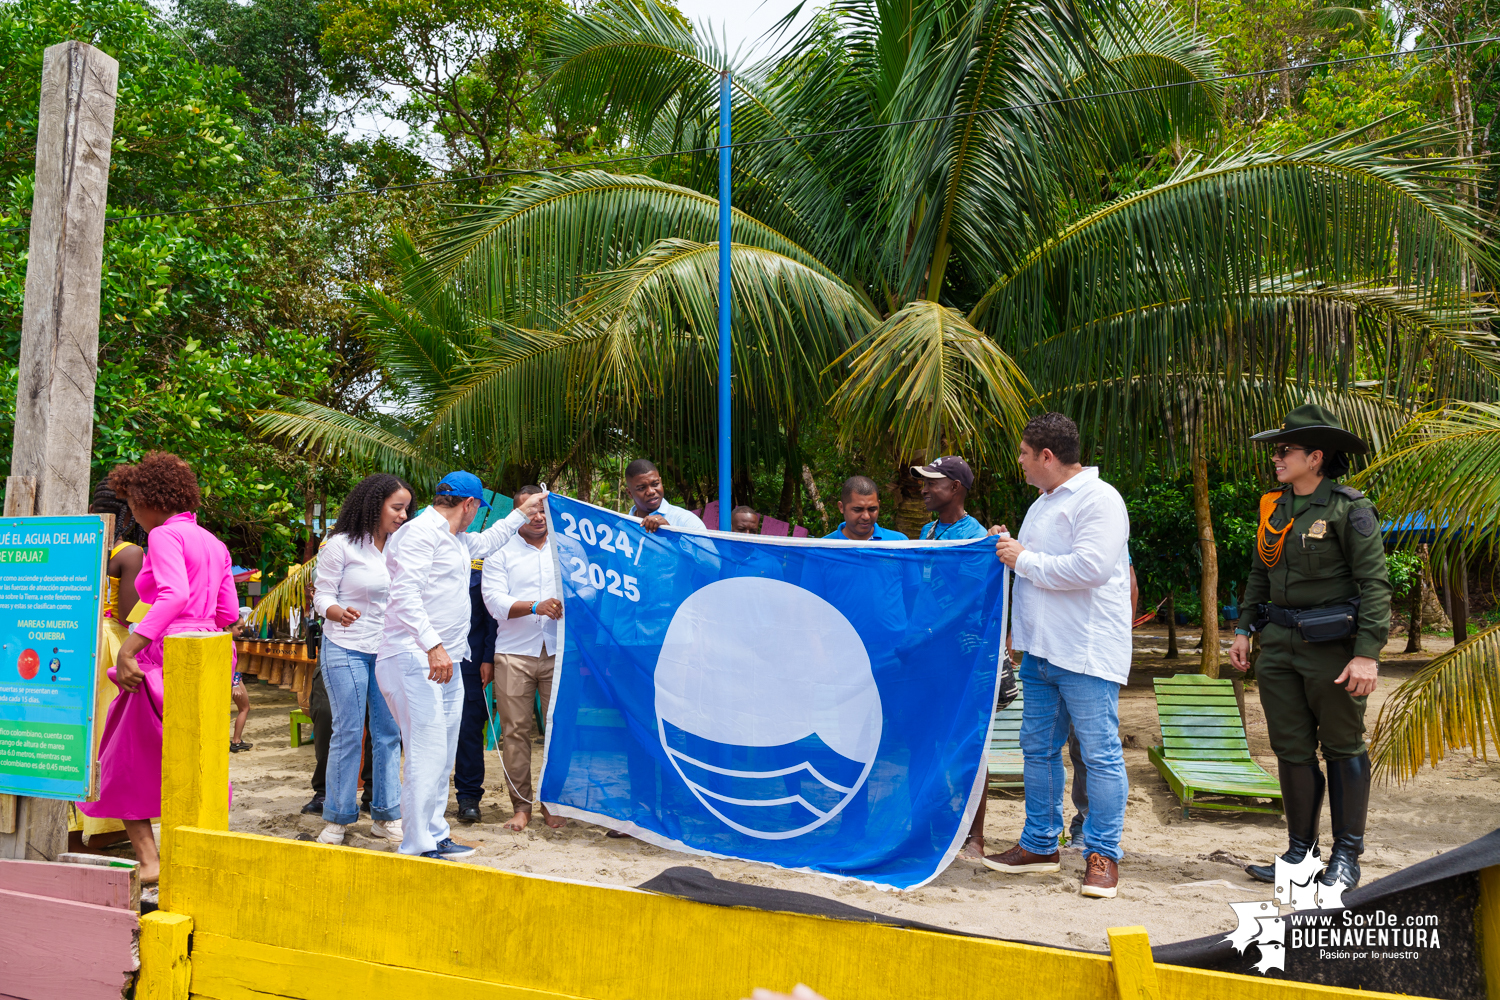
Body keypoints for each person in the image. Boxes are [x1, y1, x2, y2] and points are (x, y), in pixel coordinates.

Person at [1231, 404, 1391, 891]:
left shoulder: (1349, 508)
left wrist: (1367, 654)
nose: (1276, 458)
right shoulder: (1276, 507)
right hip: (1277, 646)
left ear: (1316, 458)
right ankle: (1300, 854)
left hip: (1333, 648)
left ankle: (1346, 857)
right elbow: (1261, 572)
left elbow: (1376, 584)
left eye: (1286, 450)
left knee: (1343, 747)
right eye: (1277, 450)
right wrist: (1243, 629)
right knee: (1291, 749)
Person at [983, 413, 1131, 900]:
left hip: (1084, 651)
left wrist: (1020, 557)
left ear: (1047, 456)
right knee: (1037, 749)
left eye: (1025, 454)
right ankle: (1039, 845)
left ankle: (1103, 854)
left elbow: (1090, 566)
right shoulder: (1043, 503)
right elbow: (1029, 566)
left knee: (1099, 753)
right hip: (1042, 651)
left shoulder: (1099, 499)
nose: (1020, 463)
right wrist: (1007, 547)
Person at [77, 453, 239, 884]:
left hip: (164, 655)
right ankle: (201, 851)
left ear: (149, 500)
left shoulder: (166, 536)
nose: (133, 514)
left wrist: (129, 650)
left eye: (132, 505)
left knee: (122, 756)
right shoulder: (214, 543)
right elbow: (228, 612)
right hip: (207, 654)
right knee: (197, 757)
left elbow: (172, 597)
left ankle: (150, 861)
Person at [377, 472, 548, 860]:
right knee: (425, 750)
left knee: (441, 751)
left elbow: (489, 541)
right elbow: (405, 595)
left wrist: (522, 512)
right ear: (469, 505)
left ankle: (436, 833)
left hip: (450, 660)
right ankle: (417, 841)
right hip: (414, 656)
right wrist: (433, 645)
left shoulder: (456, 539)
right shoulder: (420, 534)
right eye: (476, 510)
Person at [312, 474, 413, 846]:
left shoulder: (403, 549)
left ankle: (386, 816)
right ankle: (338, 818)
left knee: (389, 734)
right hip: (345, 645)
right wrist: (337, 611)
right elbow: (321, 595)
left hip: (388, 650)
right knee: (349, 731)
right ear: (374, 505)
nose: (403, 516)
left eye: (406, 509)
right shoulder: (341, 546)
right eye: (396, 508)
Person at [480, 485, 566, 832]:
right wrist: (534, 606)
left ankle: (553, 802)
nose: (538, 517)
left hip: (559, 651)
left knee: (558, 732)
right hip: (514, 653)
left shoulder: (567, 550)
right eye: (531, 510)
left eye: (543, 510)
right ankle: (521, 806)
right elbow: (494, 602)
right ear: (517, 513)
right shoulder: (500, 552)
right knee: (515, 732)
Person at [68, 478, 144, 852]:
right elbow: (130, 613)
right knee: (107, 734)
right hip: (111, 643)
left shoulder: (78, 544)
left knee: (76, 732)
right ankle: (103, 825)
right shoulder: (129, 553)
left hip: (75, 640)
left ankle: (70, 822)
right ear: (127, 513)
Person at [454, 554, 498, 824]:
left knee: (469, 728)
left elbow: (491, 618)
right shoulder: (422, 554)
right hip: (425, 658)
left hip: (469, 661)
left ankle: (469, 797)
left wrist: (488, 658)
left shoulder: (476, 559)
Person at [912, 457, 986, 540]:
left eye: (931, 483)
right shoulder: (927, 530)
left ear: (955, 486)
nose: (923, 491)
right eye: (924, 484)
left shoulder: (975, 536)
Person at [625, 459, 705, 533]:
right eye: (641, 488)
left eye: (655, 484)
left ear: (661, 481)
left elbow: (706, 549)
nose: (651, 491)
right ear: (629, 493)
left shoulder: (686, 521)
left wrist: (671, 536)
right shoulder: (621, 526)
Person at [826, 476, 906, 541]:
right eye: (857, 510)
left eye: (872, 509)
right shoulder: (823, 548)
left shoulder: (899, 543)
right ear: (841, 507)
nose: (866, 517)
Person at [229, 607, 253, 753]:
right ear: (228, 627)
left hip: (231, 679)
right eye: (239, 628)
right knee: (244, 708)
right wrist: (235, 684)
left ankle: (236, 740)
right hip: (231, 680)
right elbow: (232, 667)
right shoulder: (228, 643)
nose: (242, 631)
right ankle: (236, 741)